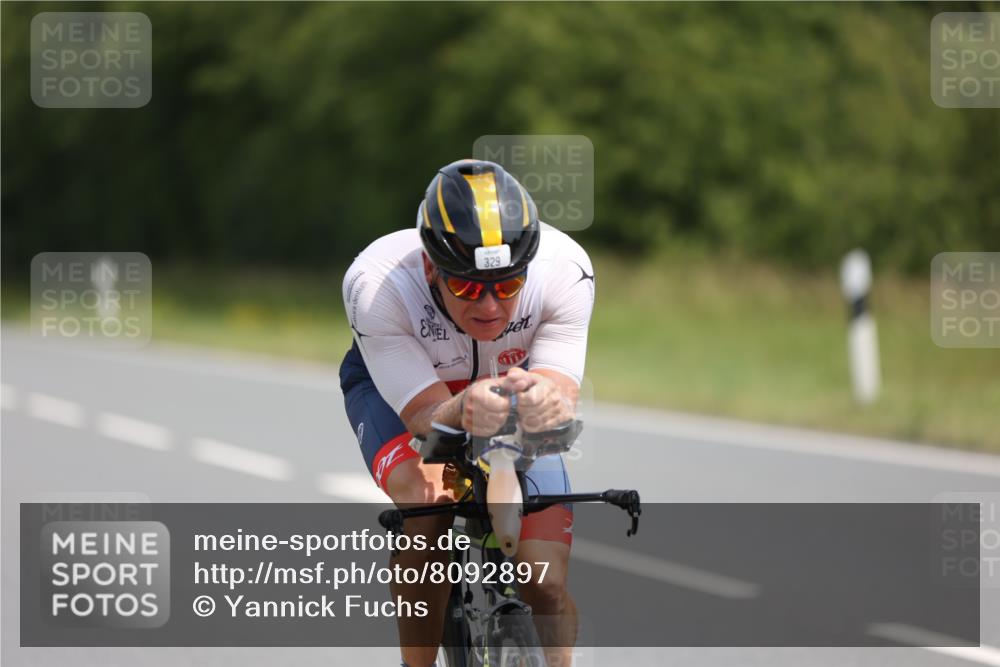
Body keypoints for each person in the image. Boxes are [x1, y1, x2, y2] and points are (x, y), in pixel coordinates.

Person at [339, 158, 595, 667]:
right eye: (466, 287)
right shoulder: (378, 285)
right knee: (428, 501)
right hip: (409, 391)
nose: (490, 307)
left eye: (507, 286)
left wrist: (543, 400)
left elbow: (560, 392)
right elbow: (424, 414)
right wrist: (464, 406)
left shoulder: (565, 270)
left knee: (544, 582)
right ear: (432, 268)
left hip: (510, 387)